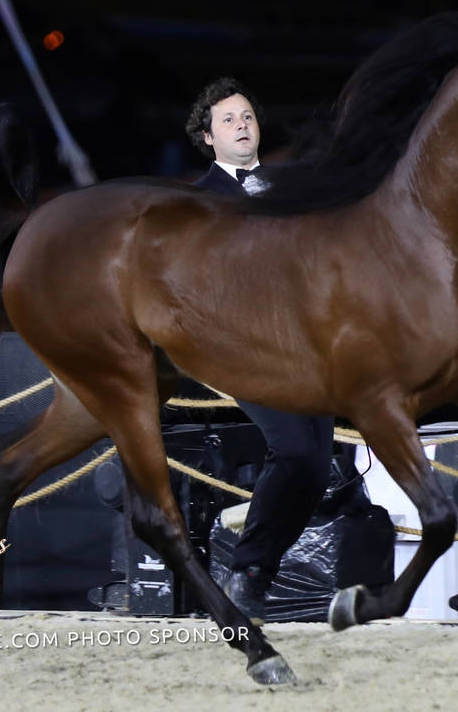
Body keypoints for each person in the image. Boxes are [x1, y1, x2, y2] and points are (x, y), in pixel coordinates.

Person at [184, 77, 334, 620]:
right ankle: (248, 569)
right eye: (229, 119)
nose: (242, 124)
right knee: (293, 449)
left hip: (304, 345)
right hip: (244, 345)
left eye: (247, 116)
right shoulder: (201, 201)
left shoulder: (288, 186)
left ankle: (253, 573)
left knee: (316, 466)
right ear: (208, 137)